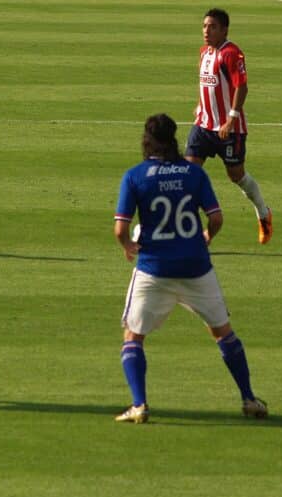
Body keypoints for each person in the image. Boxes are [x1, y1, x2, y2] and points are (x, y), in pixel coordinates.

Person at [112, 113, 268, 423]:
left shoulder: (135, 176)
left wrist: (128, 247)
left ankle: (139, 405)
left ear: (146, 142)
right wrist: (206, 237)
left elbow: (120, 228)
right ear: (173, 140)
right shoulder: (193, 173)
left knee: (133, 336)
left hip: (154, 270)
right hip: (196, 267)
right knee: (224, 334)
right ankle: (249, 399)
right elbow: (217, 218)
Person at [184, 9, 273, 244]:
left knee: (237, 176)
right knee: (189, 175)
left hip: (229, 129)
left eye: (212, 27)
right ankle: (192, 233)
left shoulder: (232, 54)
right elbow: (207, 84)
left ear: (224, 30)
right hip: (203, 126)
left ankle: (263, 213)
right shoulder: (204, 52)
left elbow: (241, 86)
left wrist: (231, 117)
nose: (206, 31)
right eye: (204, 26)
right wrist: (199, 105)